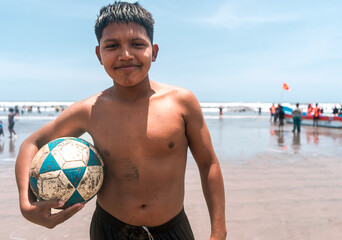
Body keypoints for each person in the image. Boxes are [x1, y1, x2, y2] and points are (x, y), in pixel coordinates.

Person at [15, 2, 226, 240]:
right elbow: (31, 144)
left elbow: (208, 164)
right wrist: (26, 203)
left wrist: (219, 231)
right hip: (110, 230)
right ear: (99, 54)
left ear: (154, 52)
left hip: (172, 229)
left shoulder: (181, 103)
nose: (125, 55)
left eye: (137, 44)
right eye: (112, 46)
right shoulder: (89, 111)